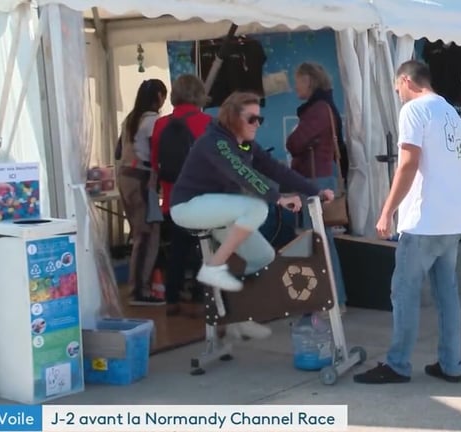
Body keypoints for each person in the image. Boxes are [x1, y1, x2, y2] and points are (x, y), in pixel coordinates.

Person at [169, 91, 335, 339]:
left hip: (219, 212)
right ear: (233, 117)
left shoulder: (244, 144)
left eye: (260, 119)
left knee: (264, 257)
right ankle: (214, 268)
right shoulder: (216, 142)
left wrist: (315, 191)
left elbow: (275, 169)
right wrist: (278, 198)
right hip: (188, 206)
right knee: (256, 208)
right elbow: (241, 172)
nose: (257, 124)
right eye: (252, 119)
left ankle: (238, 316)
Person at [353, 60, 461, 384]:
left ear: (406, 81)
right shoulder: (450, 112)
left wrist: (387, 210)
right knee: (446, 295)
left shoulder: (414, 110)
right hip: (454, 216)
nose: (399, 96)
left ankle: (398, 364)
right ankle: (451, 364)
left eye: (397, 90)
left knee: (404, 292)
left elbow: (408, 163)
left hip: (423, 219)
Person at [285, 62, 348, 311]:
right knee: (320, 241)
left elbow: (294, 143)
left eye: (298, 80)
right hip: (319, 178)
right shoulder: (323, 107)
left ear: (309, 81)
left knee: (321, 242)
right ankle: (330, 300)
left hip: (316, 181)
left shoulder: (318, 109)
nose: (295, 86)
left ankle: (333, 300)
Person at [150, 74, 213, 317]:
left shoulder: (161, 124)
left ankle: (172, 300)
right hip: (202, 199)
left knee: (177, 251)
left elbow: (156, 163)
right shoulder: (208, 123)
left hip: (172, 199)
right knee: (203, 250)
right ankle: (200, 298)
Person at [117, 79, 168, 306]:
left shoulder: (130, 119)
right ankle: (139, 291)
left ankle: (139, 287)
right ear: (158, 96)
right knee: (147, 235)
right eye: (163, 95)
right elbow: (159, 152)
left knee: (140, 233)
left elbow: (118, 150)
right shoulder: (153, 122)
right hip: (142, 178)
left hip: (125, 176)